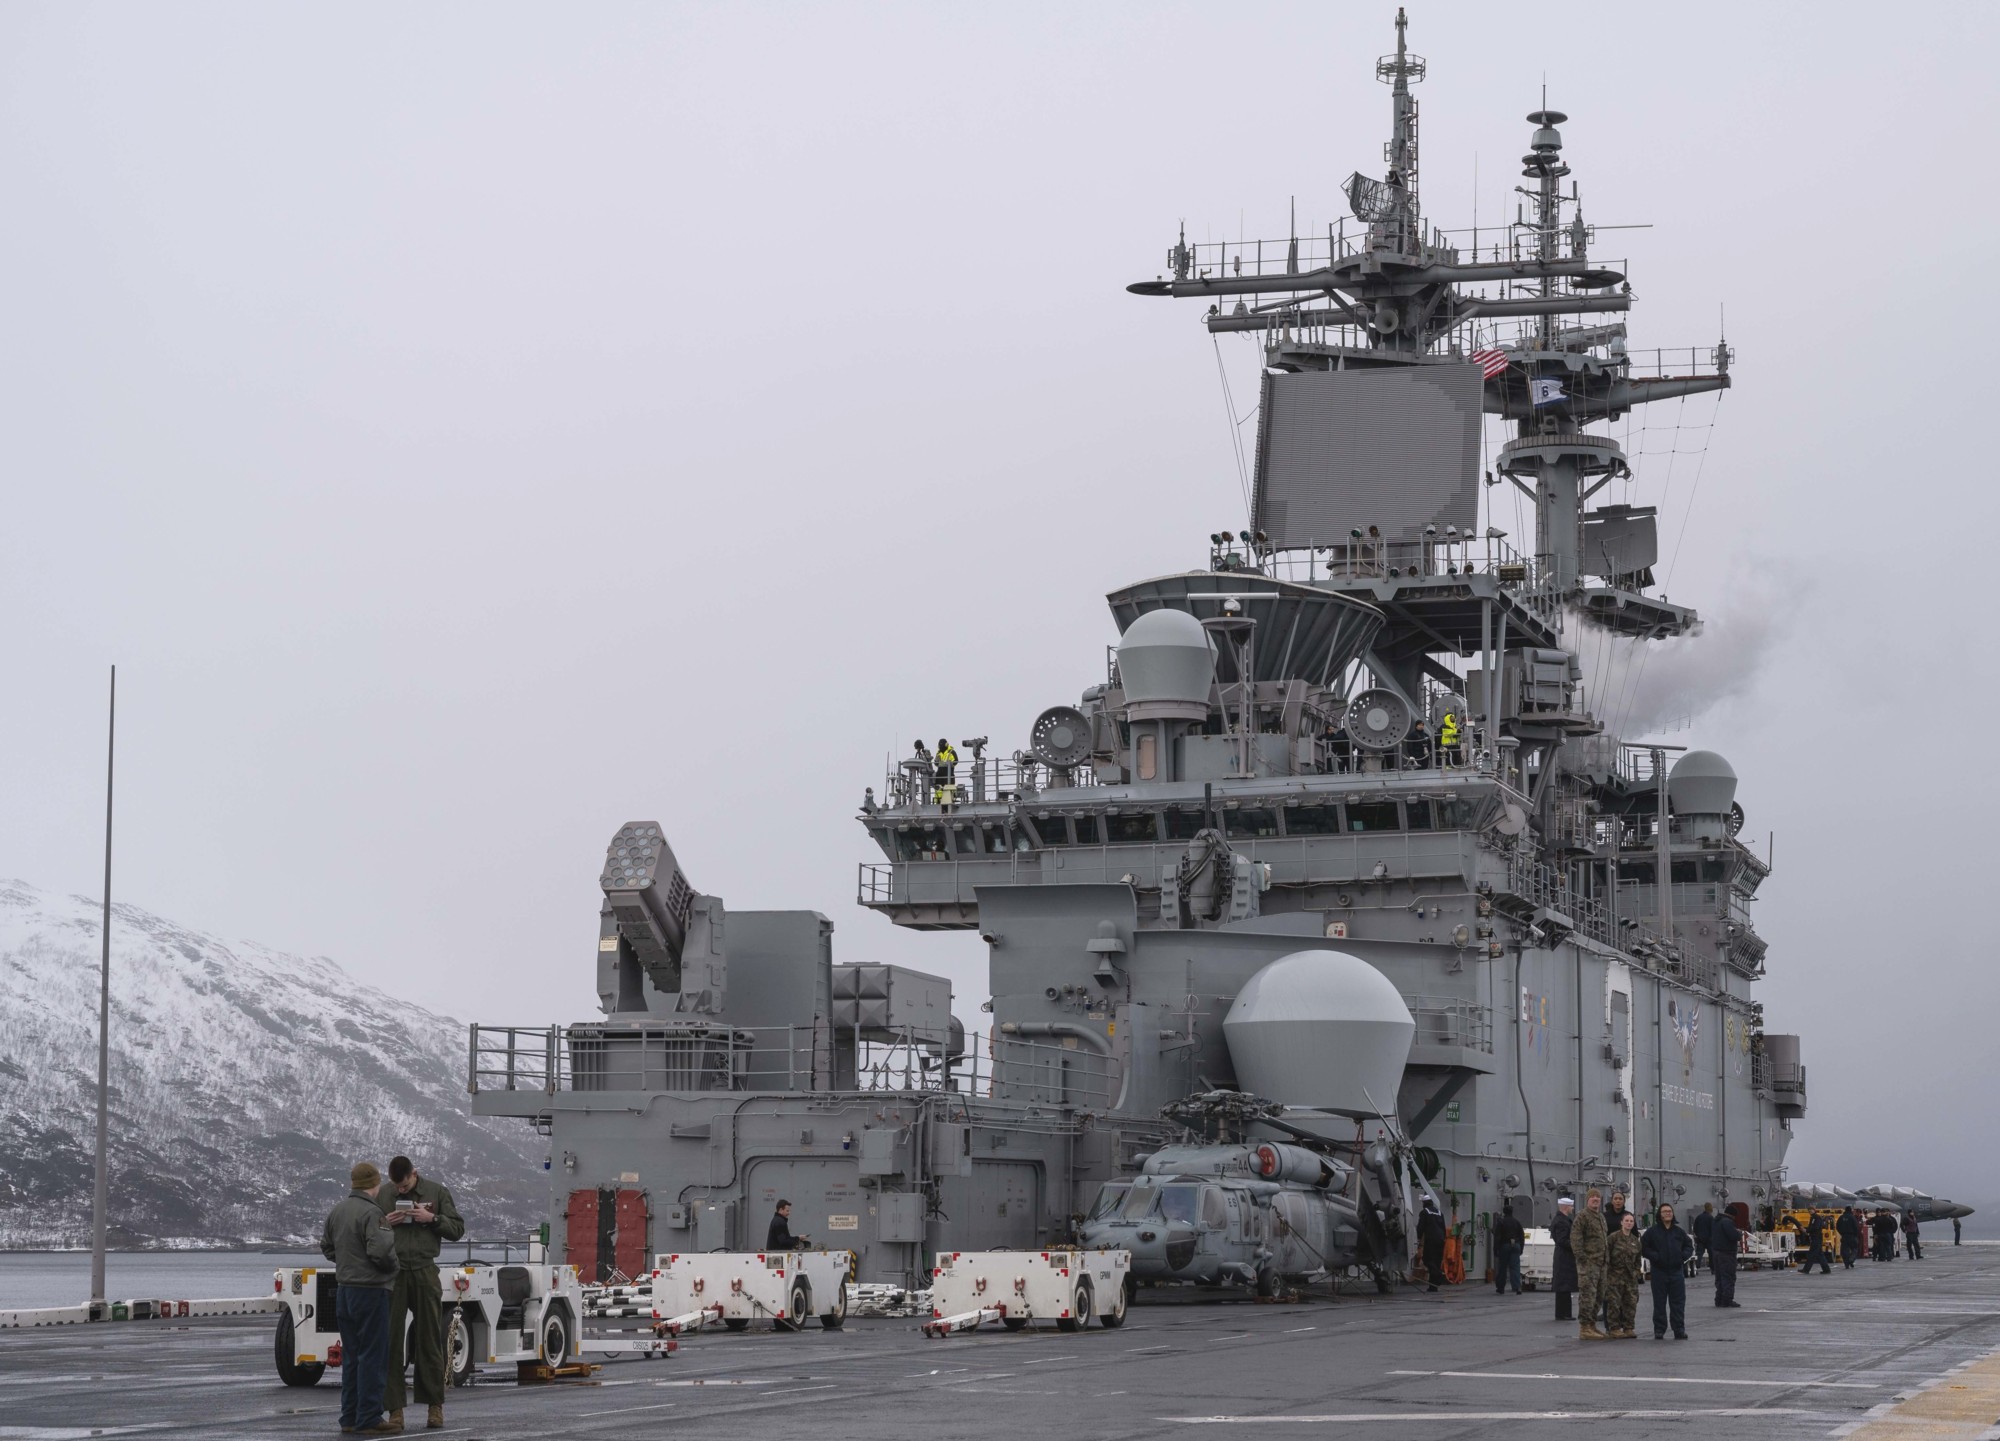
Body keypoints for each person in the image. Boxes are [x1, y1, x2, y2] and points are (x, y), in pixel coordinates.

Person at [376, 1155, 466, 1432]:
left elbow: (457, 1229)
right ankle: (395, 1410)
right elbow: (370, 1231)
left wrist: (432, 1218)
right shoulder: (383, 1193)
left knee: (428, 1341)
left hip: (425, 1270)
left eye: (404, 1186)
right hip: (395, 1273)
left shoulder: (437, 1192)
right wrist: (385, 1223)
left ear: (414, 1175)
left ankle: (434, 1407)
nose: (400, 1191)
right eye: (397, 1188)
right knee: (390, 1342)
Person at [322, 1162, 399, 1435]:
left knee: (352, 1357)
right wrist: (393, 1268)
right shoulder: (372, 1212)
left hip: (345, 1291)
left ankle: (350, 1417)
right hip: (371, 1291)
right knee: (373, 1356)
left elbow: (327, 1247)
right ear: (374, 1185)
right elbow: (381, 1251)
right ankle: (369, 1416)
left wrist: (346, 1262)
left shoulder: (337, 1211)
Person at [1642, 1202, 1693, 1340]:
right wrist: (1655, 1257)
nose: (1667, 1213)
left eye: (1669, 1211)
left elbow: (1689, 1246)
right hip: (1659, 1272)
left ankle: (1679, 1329)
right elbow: (1644, 1247)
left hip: (1676, 1272)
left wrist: (1682, 1256)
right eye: (1664, 1211)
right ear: (1660, 1214)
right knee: (1659, 1303)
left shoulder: (1678, 1232)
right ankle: (1659, 1330)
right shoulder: (1652, 1232)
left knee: (1678, 1303)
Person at [1572, 1189, 1609, 1340]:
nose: (1595, 1199)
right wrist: (1583, 1259)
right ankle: (1585, 1327)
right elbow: (1576, 1239)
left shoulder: (1600, 1217)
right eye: (1592, 1197)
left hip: (1601, 1264)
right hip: (1589, 1264)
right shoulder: (1582, 1216)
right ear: (1587, 1200)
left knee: (1599, 1295)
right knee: (1588, 1295)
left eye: (1597, 1197)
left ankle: (1592, 1324)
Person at [1605, 1211, 1643, 1339]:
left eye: (1631, 1221)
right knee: (1614, 1303)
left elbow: (1638, 1259)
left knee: (1631, 1303)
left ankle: (1628, 1327)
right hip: (1615, 1276)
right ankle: (1614, 1328)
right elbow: (1606, 1255)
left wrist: (1636, 1271)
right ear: (1621, 1222)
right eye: (1626, 1221)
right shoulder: (1613, 1238)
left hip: (1630, 1277)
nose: (1629, 1223)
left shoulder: (1635, 1241)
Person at [1597, 1190, 1629, 1331]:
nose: (1618, 1201)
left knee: (1624, 1293)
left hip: (1624, 1260)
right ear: (1612, 1200)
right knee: (1608, 1293)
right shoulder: (1604, 1217)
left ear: (1623, 1201)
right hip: (1609, 1259)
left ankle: (1621, 1322)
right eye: (1615, 1198)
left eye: (1620, 1199)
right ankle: (1609, 1324)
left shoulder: (1628, 1217)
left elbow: (1634, 1236)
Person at [1550, 1197, 1578, 1322]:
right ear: (1566, 1207)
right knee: (1564, 1285)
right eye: (1571, 1206)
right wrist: (1576, 1246)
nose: (1572, 1209)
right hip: (1564, 1256)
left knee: (1564, 1285)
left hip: (1562, 1255)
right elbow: (1562, 1240)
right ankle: (1563, 1313)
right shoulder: (1562, 1222)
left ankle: (1563, 1312)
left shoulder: (1560, 1220)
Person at [1491, 1201, 1525, 1296]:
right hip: (1516, 1245)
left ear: (1504, 1212)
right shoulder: (1517, 1222)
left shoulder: (1501, 1222)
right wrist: (1521, 1248)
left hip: (1504, 1246)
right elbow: (1522, 1236)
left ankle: (1501, 1288)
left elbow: (1497, 1237)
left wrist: (1495, 1250)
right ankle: (1517, 1287)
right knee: (1515, 1267)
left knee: (1502, 1267)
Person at [1710, 1205, 1741, 1307]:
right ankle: (1727, 1300)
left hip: (1716, 1252)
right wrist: (1739, 1233)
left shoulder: (1716, 1221)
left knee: (1719, 1277)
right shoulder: (1727, 1222)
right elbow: (1733, 1236)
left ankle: (1718, 1299)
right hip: (1727, 1253)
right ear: (1732, 1215)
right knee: (1728, 1277)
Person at [1417, 1199, 1447, 1293]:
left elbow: (1421, 1227)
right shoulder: (1439, 1212)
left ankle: (1438, 1275)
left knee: (1428, 1259)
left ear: (1424, 1204)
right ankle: (1433, 1287)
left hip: (1431, 1240)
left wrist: (1418, 1238)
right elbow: (1443, 1227)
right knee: (1437, 1262)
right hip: (1440, 1240)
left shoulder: (1424, 1212)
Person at [1692, 1202, 1715, 1272]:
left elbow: (1695, 1228)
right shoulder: (1711, 1218)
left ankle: (1696, 1267)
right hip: (1709, 1240)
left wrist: (1698, 1235)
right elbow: (1713, 1229)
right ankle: (1713, 1268)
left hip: (1700, 1239)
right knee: (1712, 1254)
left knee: (1699, 1253)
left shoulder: (1699, 1217)